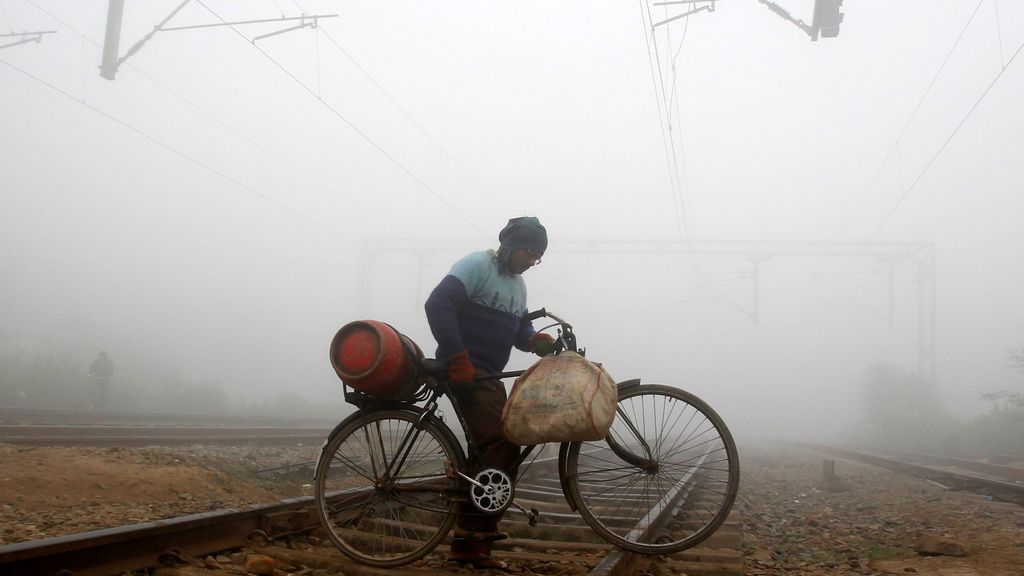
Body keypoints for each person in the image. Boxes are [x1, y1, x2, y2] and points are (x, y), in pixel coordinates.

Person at [424, 216, 556, 570]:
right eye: (531, 251)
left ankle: (472, 545)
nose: (533, 260)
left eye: (538, 256)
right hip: (466, 370)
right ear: (512, 245)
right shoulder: (477, 265)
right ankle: (472, 535)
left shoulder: (518, 286)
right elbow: (437, 304)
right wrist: (457, 357)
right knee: (502, 440)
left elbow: (518, 328)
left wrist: (534, 340)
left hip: (488, 376)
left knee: (494, 450)